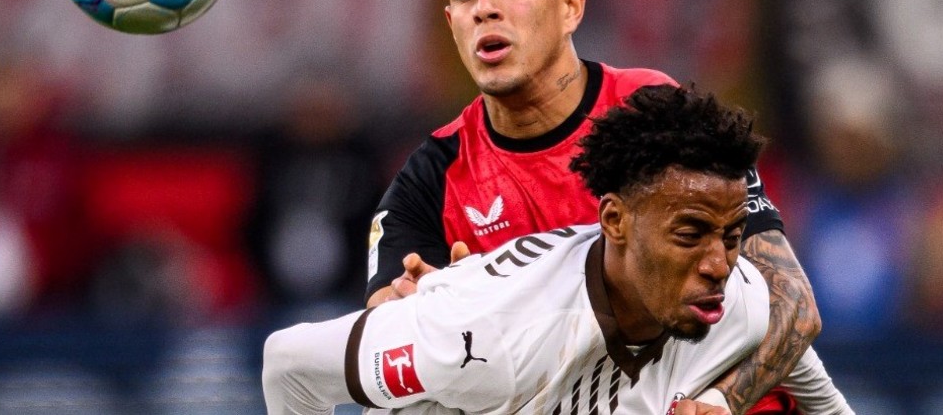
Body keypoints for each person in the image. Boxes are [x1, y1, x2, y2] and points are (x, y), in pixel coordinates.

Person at [364, 0, 831, 414]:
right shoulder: (428, 183)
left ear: (570, 7)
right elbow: (385, 351)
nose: (485, 8)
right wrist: (423, 323)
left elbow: (793, 305)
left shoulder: (659, 115)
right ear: (451, 20)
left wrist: (723, 401)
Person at [264, 85, 772, 414]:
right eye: (689, 235)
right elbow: (289, 364)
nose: (718, 265)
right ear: (615, 222)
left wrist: (722, 399)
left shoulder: (738, 301)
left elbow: (801, 365)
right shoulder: (488, 336)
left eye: (732, 238)